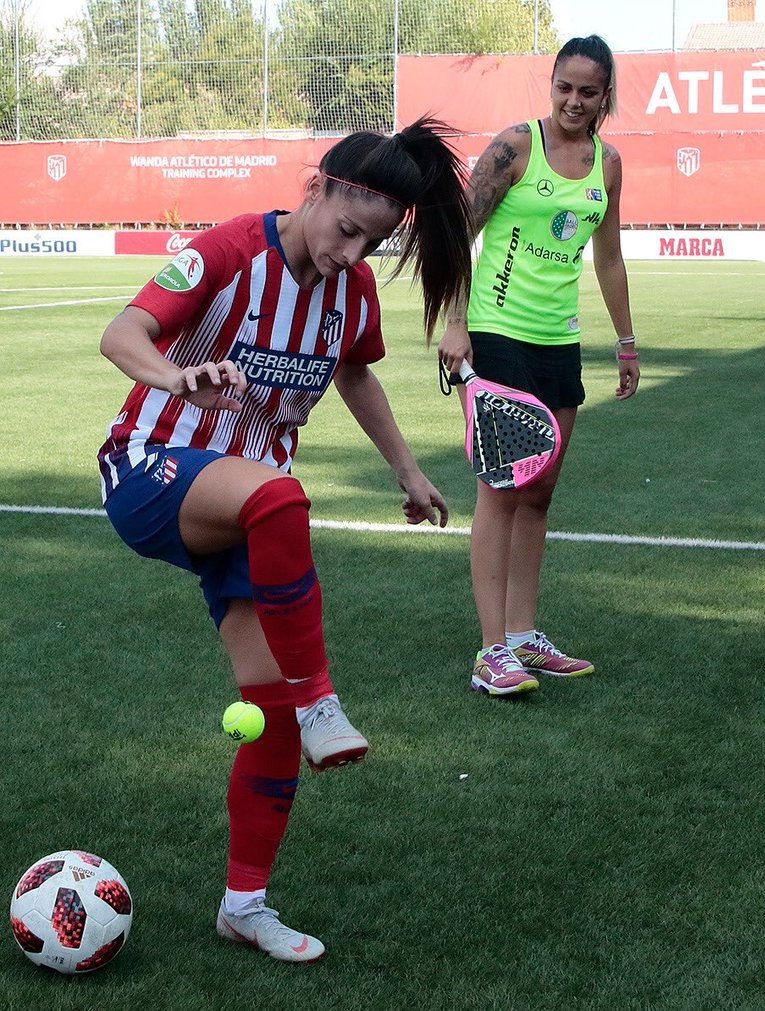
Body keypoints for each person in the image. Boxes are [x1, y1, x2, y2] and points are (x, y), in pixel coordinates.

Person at [97, 119, 474, 962]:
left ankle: (244, 904)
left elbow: (355, 372)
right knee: (280, 496)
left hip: (245, 510)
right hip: (152, 467)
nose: (351, 254)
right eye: (346, 230)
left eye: (372, 244)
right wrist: (177, 377)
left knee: (264, 717)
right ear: (318, 188)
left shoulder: (352, 294)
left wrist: (409, 472)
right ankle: (321, 697)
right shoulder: (230, 248)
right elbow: (121, 334)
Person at [437, 35, 640, 697]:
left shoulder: (607, 164)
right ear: (550, 85)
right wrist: (456, 321)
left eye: (588, 91)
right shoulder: (514, 147)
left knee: (540, 492)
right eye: (565, 87)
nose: (574, 101)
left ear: (605, 94)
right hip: (498, 334)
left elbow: (607, 258)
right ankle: (490, 649)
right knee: (500, 492)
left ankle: (524, 636)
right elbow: (458, 234)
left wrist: (627, 340)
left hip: (560, 340)